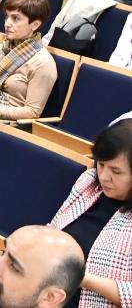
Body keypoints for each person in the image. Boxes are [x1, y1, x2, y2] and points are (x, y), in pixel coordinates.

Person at [48, 119, 132, 308]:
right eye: (101, 165)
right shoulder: (88, 182)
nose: (104, 177)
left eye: (116, 171)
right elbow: (54, 228)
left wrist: (82, 278)